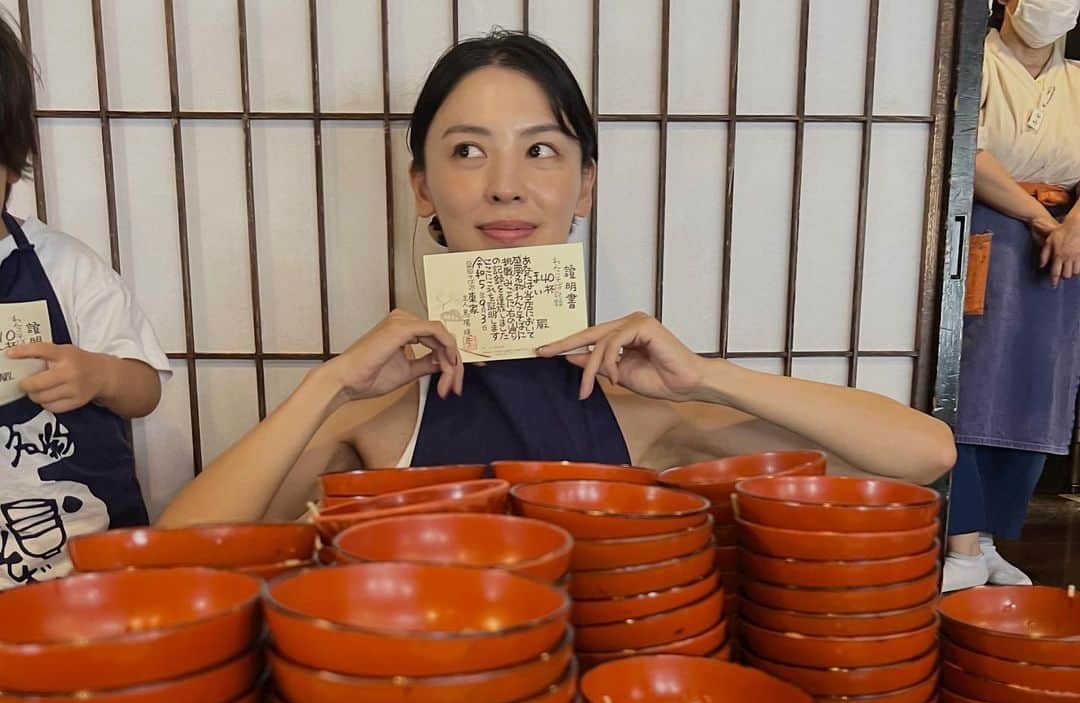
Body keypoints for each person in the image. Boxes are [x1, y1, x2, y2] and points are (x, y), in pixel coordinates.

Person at [159, 32, 954, 529]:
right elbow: (176, 553)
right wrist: (331, 385)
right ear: (423, 188)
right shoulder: (378, 406)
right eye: (467, 151)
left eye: (541, 150)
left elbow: (922, 455)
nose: (506, 186)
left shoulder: (635, 397)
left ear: (585, 188)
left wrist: (707, 379)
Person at [0, 18, 168, 587]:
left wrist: (96, 375)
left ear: (10, 156)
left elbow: (145, 388)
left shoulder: (65, 265)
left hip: (90, 573)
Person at [944, 0, 1080, 592]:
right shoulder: (971, 62)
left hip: (1063, 250)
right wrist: (1038, 217)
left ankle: (991, 542)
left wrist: (1073, 227)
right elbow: (964, 152)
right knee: (971, 387)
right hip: (985, 233)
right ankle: (961, 542)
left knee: (1036, 391)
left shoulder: (1077, 81)